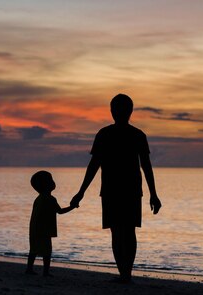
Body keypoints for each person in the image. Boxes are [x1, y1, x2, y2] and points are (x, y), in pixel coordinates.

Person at [70, 94, 161, 283]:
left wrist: (154, 194)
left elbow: (146, 166)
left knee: (123, 232)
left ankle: (125, 274)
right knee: (123, 232)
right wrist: (81, 192)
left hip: (126, 191)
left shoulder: (129, 135)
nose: (117, 113)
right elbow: (94, 165)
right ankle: (124, 274)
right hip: (119, 191)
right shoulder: (112, 134)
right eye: (116, 109)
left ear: (126, 111)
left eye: (119, 109)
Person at [26, 171, 76, 277]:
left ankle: (29, 269)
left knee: (33, 249)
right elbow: (60, 211)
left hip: (35, 229)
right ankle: (45, 272)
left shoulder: (38, 199)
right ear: (47, 184)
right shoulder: (50, 199)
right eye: (51, 180)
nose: (53, 182)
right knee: (47, 251)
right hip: (44, 230)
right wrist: (72, 207)